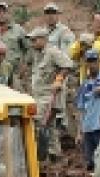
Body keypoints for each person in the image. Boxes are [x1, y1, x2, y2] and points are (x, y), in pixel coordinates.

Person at [27, 27, 74, 161]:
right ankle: (55, 155)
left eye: (35, 40)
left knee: (39, 125)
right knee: (50, 127)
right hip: (39, 96)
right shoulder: (38, 54)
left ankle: (41, 157)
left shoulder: (52, 52)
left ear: (43, 39)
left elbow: (67, 65)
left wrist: (59, 80)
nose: (32, 43)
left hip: (49, 97)